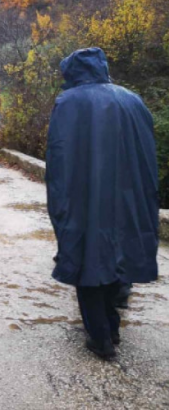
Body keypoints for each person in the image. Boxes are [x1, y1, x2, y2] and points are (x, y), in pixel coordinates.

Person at [46, 47, 159, 361]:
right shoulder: (133, 100)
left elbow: (59, 160)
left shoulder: (69, 103)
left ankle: (101, 338)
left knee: (88, 262)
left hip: (87, 198)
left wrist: (60, 206)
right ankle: (112, 328)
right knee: (117, 259)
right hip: (130, 197)